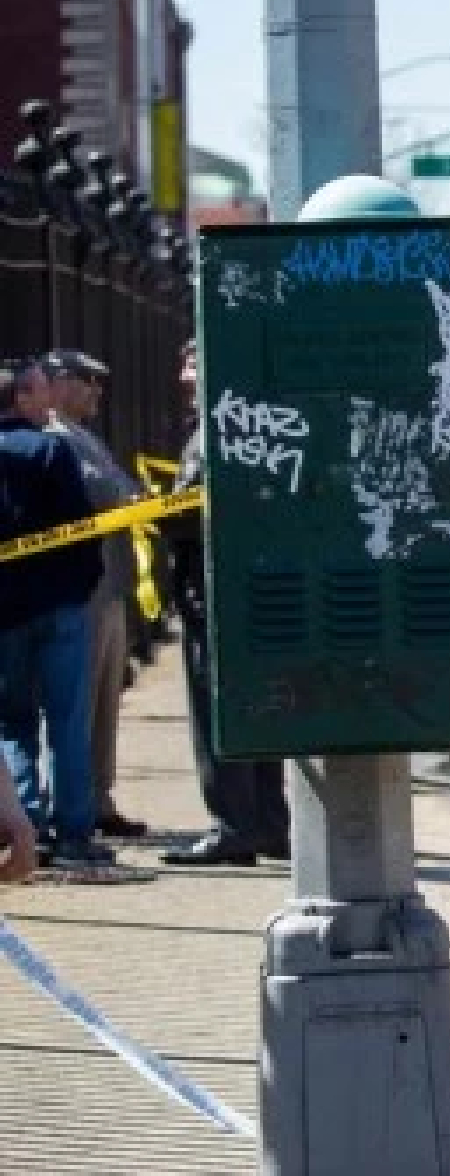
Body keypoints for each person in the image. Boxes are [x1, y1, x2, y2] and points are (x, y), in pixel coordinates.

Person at [157, 341, 290, 865]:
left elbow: (193, 512)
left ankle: (234, 827)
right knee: (257, 711)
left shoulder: (211, 429)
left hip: (211, 594)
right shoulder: (254, 419)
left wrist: (152, 513)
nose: (184, 374)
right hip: (248, 590)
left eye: (192, 362)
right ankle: (269, 822)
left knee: (218, 714)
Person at [0, 356, 111, 868]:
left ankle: (24, 822)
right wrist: (80, 589)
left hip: (4, 614)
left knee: (13, 722)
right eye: (39, 391)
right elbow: (81, 531)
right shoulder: (51, 451)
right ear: (21, 399)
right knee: (67, 720)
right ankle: (74, 830)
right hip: (59, 607)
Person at [42, 348, 149, 839]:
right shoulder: (55, 435)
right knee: (79, 703)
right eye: (86, 381)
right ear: (58, 382)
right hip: (81, 590)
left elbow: (121, 486)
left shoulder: (83, 435)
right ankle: (68, 804)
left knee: (106, 699)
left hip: (107, 587)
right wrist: (128, 494)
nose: (96, 391)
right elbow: (108, 491)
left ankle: (98, 798)